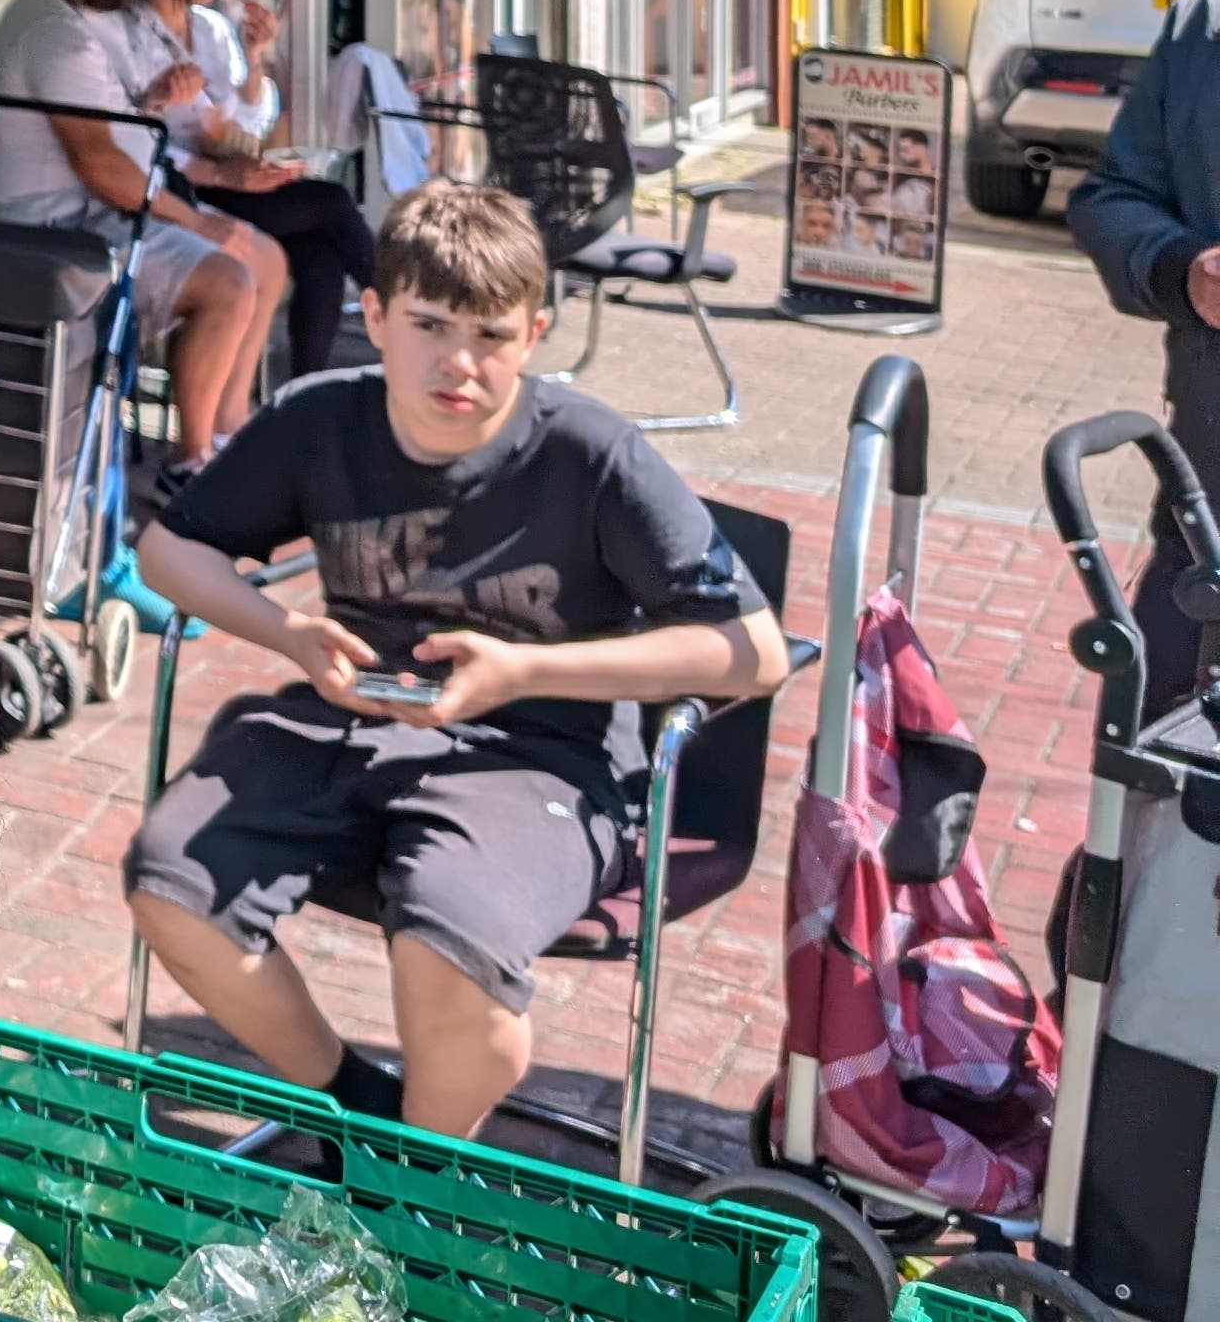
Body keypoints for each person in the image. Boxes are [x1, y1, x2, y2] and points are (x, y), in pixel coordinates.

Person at [122, 183, 780, 1138]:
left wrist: (524, 672)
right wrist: (287, 633)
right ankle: (360, 1113)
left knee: (448, 941)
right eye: (430, 325)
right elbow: (168, 550)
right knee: (169, 881)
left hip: (542, 755)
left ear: (536, 334)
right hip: (350, 724)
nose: (459, 362)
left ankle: (417, 1185)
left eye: (492, 335)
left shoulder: (593, 453)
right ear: (377, 316)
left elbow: (753, 651)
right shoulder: (319, 419)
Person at [0, 0, 279, 465]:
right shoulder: (51, 31)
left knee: (263, 256)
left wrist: (154, 99)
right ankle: (192, 463)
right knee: (228, 284)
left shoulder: (86, 16)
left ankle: (216, 440)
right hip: (61, 229)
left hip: (99, 211)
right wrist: (196, 220)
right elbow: (102, 167)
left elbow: (119, 127)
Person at [132, 0, 376, 381]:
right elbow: (138, 142)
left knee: (318, 256)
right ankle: (404, 311)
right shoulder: (135, 37)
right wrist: (222, 172)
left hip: (227, 177)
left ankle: (305, 396)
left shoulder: (208, 29)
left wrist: (255, 57)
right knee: (332, 202)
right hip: (180, 191)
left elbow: (247, 121)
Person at [1069, 0, 1220, 694]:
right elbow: (1115, 194)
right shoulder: (1203, 26)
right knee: (1149, 763)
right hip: (1203, 524)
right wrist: (1181, 272)